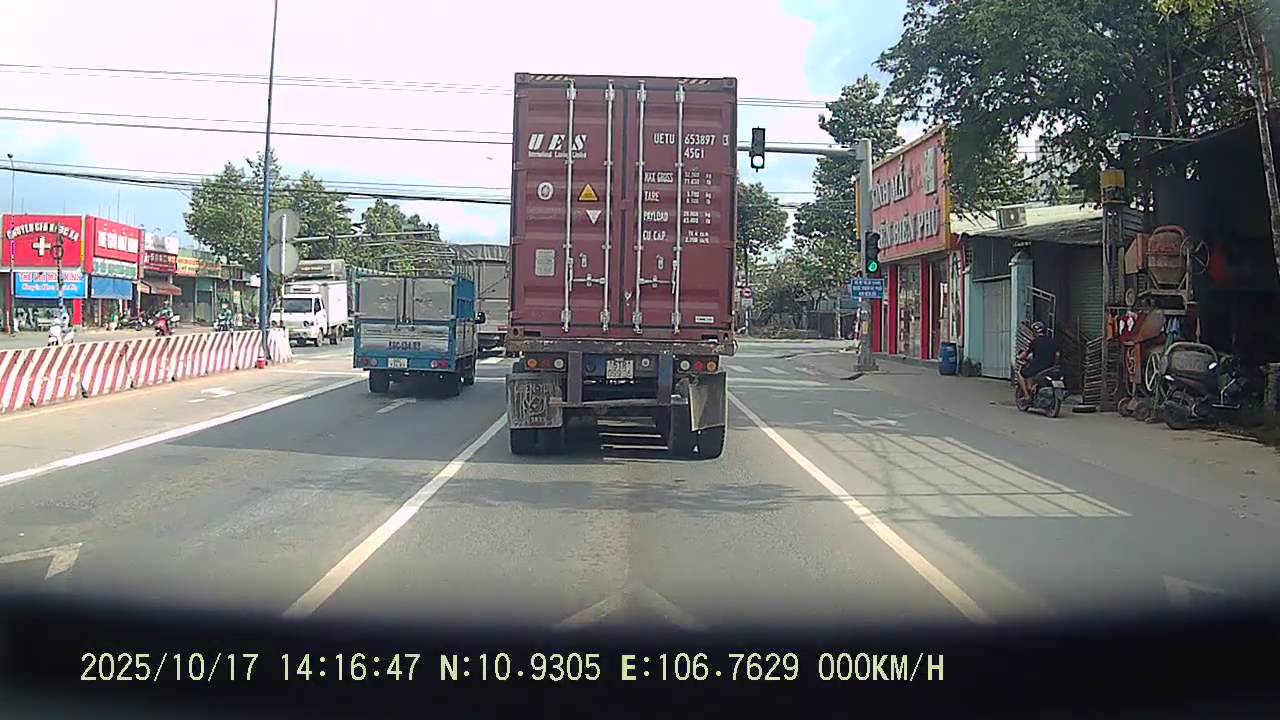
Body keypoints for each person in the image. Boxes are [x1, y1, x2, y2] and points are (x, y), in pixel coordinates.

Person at [1017, 321, 1059, 401]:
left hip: (1037, 367)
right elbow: (1057, 355)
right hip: (1050, 367)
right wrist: (1053, 363)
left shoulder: (1034, 342)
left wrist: (1019, 357)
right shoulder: (1052, 341)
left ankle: (1026, 395)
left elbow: (1025, 353)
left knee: (1021, 374)